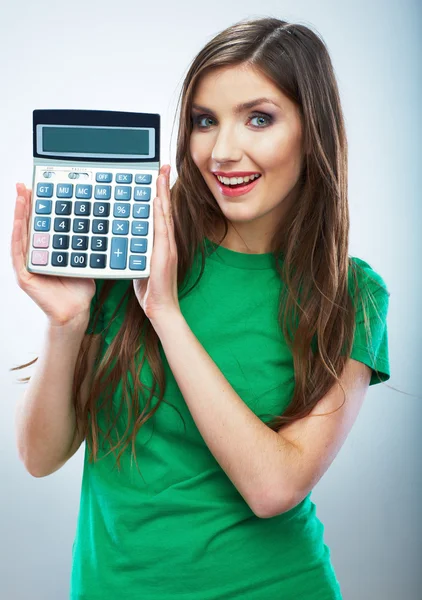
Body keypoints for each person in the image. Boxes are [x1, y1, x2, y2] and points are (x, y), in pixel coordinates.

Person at [11, 16, 390, 600]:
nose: (222, 151)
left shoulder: (349, 293)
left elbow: (274, 488)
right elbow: (40, 457)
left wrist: (165, 312)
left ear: (311, 131)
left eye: (258, 119)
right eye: (204, 121)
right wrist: (65, 324)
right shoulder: (137, 242)